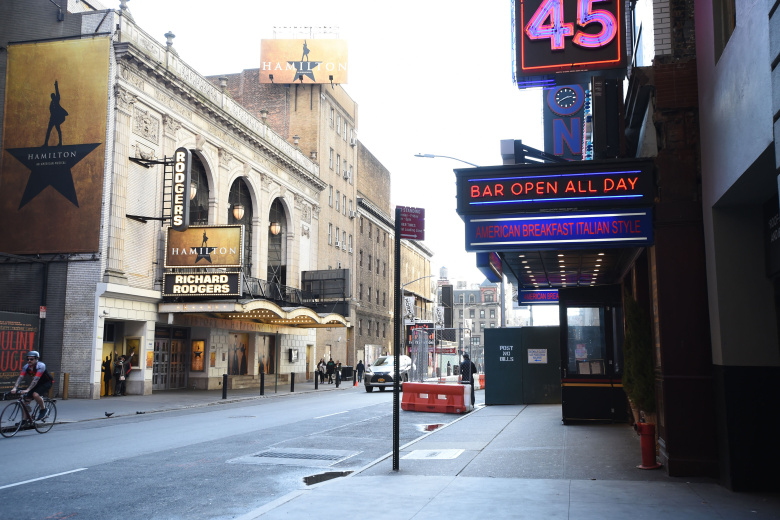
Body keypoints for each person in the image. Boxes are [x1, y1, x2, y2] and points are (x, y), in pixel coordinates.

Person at [10, 351, 53, 421]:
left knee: (35, 394)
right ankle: (24, 420)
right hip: (37, 383)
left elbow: (36, 379)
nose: (29, 361)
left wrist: (28, 389)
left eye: (31, 359)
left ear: (36, 359)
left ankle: (43, 409)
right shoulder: (26, 367)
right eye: (28, 359)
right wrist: (15, 388)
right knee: (26, 400)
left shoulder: (41, 366)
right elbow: (21, 377)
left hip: (46, 382)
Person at [44, 80, 68, 147]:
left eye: (53, 96)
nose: (53, 97)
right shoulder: (51, 103)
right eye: (52, 96)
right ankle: (46, 143)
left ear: (54, 96)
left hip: (56, 118)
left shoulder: (57, 100)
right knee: (49, 131)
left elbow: (57, 92)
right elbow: (51, 111)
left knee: (58, 131)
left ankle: (60, 143)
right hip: (52, 119)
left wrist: (56, 86)